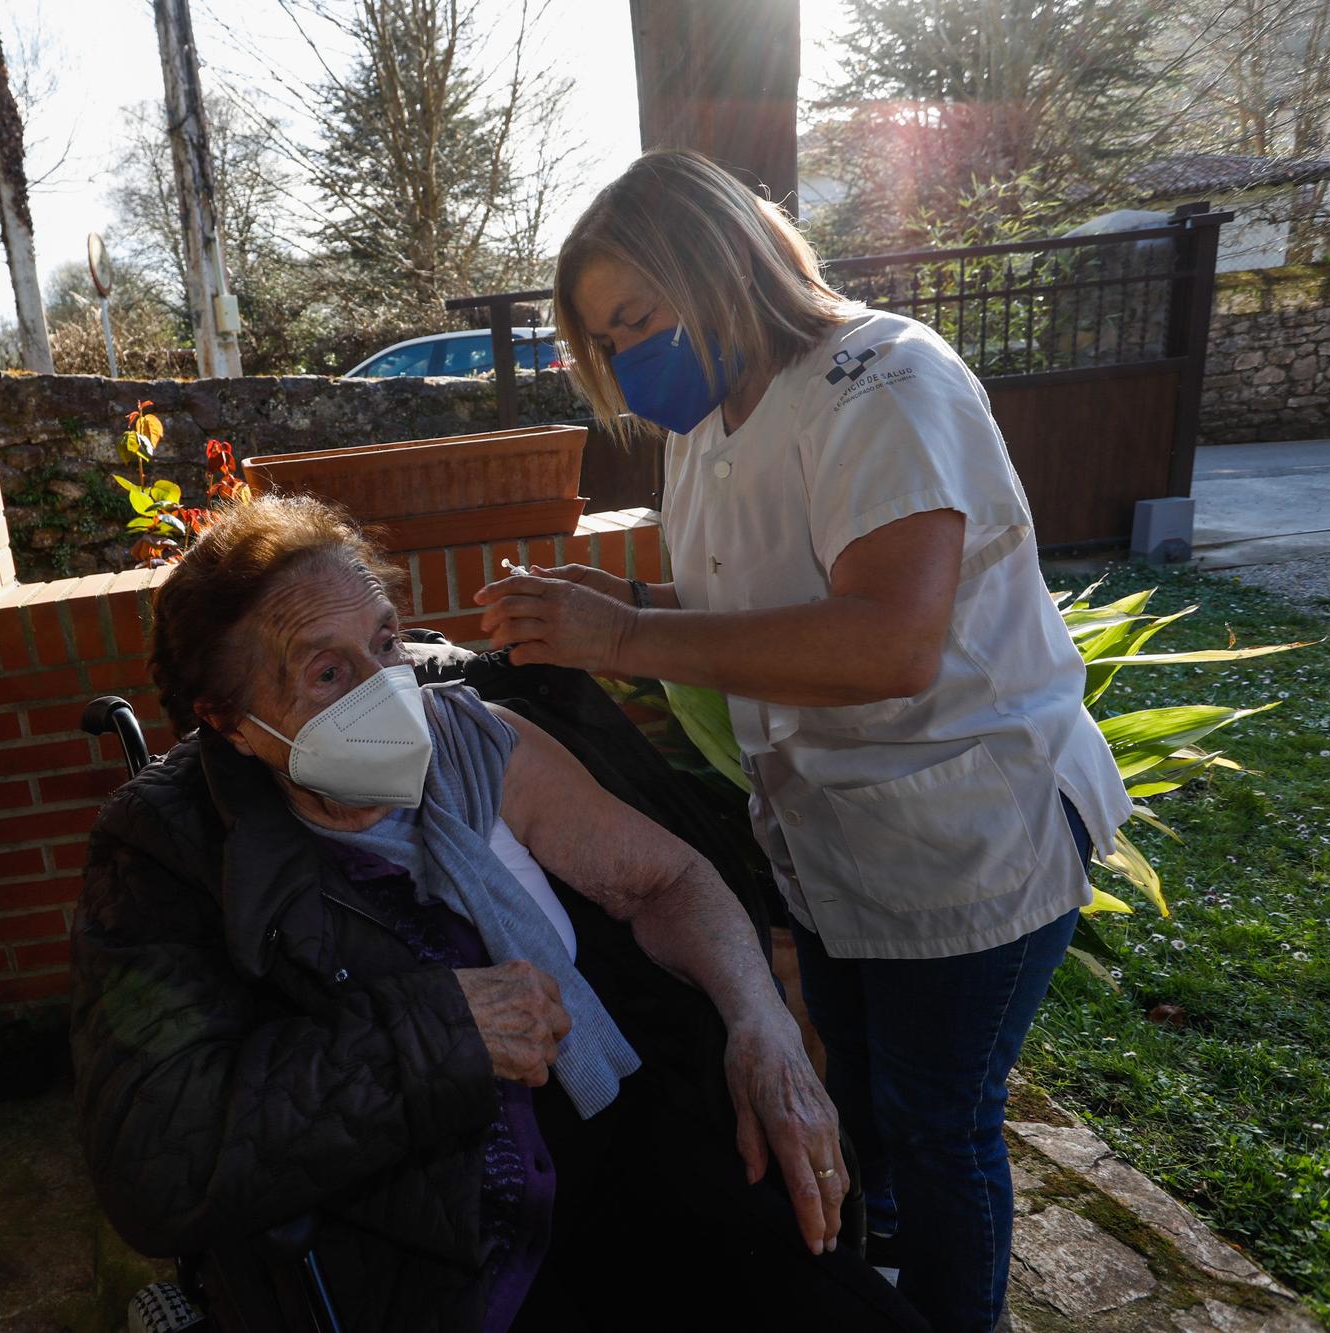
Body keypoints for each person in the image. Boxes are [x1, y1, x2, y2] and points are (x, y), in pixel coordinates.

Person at [474, 150, 1132, 1333]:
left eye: (637, 319)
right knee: (864, 1110)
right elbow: (759, 607)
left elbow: (887, 641)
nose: (627, 360)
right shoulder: (712, 419)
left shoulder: (883, 381)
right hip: (833, 845)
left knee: (941, 1127)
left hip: (968, 835)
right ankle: (869, 1299)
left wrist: (623, 635)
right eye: (603, 342)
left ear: (723, 263)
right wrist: (617, 609)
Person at [71, 494, 925, 1332]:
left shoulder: (475, 742)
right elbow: (159, 1151)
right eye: (328, 673)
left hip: (624, 1134)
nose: (387, 690)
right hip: (441, 1232)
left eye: (384, 641)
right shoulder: (168, 853)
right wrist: (440, 1034)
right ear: (232, 724)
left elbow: (667, 881)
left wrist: (758, 1021)